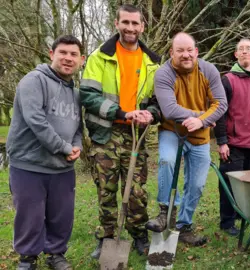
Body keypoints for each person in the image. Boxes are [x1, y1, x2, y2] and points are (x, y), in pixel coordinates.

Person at [80, 4, 162, 258]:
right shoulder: (99, 57)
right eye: (125, 22)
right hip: (106, 134)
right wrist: (123, 113)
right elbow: (87, 96)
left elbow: (159, 100)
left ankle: (139, 236)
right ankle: (105, 238)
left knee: (137, 190)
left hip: (135, 136)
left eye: (135, 23)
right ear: (116, 24)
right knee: (106, 189)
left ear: (142, 27)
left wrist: (152, 114)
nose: (130, 28)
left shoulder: (153, 62)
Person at [7, 35, 85, 270]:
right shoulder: (33, 81)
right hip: (29, 164)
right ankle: (27, 259)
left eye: (73, 54)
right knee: (29, 216)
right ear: (52, 54)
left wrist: (77, 146)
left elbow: (77, 128)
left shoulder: (76, 92)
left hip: (62, 168)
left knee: (61, 216)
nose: (68, 58)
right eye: (63, 52)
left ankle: (56, 254)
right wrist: (63, 147)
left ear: (81, 60)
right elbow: (36, 121)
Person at [145, 32, 227, 246]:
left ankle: (184, 226)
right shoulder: (164, 74)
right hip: (172, 130)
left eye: (189, 50)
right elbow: (169, 109)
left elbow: (220, 103)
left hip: (200, 137)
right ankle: (165, 212)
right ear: (171, 52)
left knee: (197, 185)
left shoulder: (208, 70)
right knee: (166, 161)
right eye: (180, 50)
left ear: (196, 52)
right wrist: (203, 116)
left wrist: (201, 123)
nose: (185, 55)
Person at [214, 38, 250, 236]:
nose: (245, 52)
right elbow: (220, 112)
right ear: (236, 55)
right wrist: (222, 142)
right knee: (230, 183)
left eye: (248, 49)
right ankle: (227, 221)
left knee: (247, 183)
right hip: (234, 143)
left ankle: (241, 214)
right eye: (241, 49)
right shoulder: (227, 80)